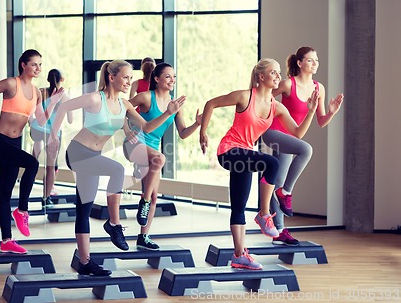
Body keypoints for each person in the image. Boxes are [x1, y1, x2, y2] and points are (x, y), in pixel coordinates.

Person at [49, 59, 185, 276]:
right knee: (117, 170)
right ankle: (114, 224)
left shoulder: (125, 105)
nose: (129, 82)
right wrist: (54, 136)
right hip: (77, 152)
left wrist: (168, 112)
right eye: (125, 77)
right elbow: (64, 106)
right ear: (112, 77)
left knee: (84, 210)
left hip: (93, 157)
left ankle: (85, 262)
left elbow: (148, 127)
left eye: (131, 78)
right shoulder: (96, 98)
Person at [199, 58, 319, 269]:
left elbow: (298, 133)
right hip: (228, 151)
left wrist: (311, 111)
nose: (278, 76)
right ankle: (264, 214)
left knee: (238, 206)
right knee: (271, 163)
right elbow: (211, 104)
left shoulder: (277, 107)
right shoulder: (245, 97)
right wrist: (203, 133)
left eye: (279, 72)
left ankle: (239, 255)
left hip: (244, 157)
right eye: (273, 73)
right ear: (261, 76)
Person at [0, 49, 64, 254]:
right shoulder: (10, 83)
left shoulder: (36, 93)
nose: (38, 68)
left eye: (40, 65)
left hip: (15, 143)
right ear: (23, 64)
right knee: (33, 163)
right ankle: (22, 210)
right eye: (34, 64)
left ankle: (6, 240)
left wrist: (53, 102)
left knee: (5, 193)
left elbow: (40, 120)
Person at [261, 47, 344, 245]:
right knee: (306, 149)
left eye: (316, 60)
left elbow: (321, 121)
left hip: (290, 137)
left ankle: (279, 231)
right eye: (310, 60)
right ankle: (286, 193)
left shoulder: (319, 88)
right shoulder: (288, 84)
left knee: (277, 182)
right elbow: (264, 97)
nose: (315, 63)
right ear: (299, 63)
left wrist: (331, 111)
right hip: (274, 133)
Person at [123, 62, 202, 250]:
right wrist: (127, 131)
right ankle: (144, 199)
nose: (172, 80)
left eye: (174, 77)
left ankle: (143, 237)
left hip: (152, 151)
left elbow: (182, 133)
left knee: (155, 197)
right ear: (156, 79)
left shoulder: (174, 105)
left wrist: (197, 124)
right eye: (168, 76)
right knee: (159, 159)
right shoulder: (145, 98)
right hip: (134, 145)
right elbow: (121, 109)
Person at [29, 69, 73, 208]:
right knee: (50, 168)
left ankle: (26, 193)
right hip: (53, 134)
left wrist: (31, 122)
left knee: (32, 163)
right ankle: (46, 198)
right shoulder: (65, 97)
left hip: (37, 129)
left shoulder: (40, 92)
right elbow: (71, 120)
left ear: (48, 79)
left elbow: (31, 111)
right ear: (62, 79)